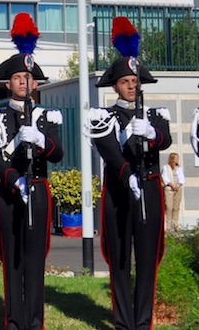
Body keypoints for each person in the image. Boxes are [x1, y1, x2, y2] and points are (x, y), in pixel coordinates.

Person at [86, 17, 171, 330]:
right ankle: (123, 323)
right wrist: (127, 174)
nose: (132, 86)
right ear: (115, 86)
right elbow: (108, 150)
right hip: (119, 191)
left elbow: (165, 140)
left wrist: (150, 133)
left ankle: (143, 322)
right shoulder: (103, 116)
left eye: (135, 81)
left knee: (148, 260)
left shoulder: (154, 115)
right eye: (125, 81)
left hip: (149, 189)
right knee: (120, 258)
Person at [0, 14, 62, 330]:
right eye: (17, 78)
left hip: (38, 190)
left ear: (36, 83)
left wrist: (41, 140)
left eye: (28, 78)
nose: (23, 83)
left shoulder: (47, 116)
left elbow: (58, 154)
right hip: (10, 192)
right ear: (8, 83)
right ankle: (14, 322)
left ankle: (35, 322)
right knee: (12, 260)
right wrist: (14, 179)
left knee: (35, 260)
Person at [162, 153, 184, 231]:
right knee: (169, 206)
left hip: (178, 188)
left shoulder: (179, 168)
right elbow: (165, 178)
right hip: (169, 189)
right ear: (172, 159)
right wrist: (172, 185)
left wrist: (178, 185)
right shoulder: (166, 167)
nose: (177, 159)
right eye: (176, 158)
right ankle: (168, 226)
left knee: (176, 207)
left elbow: (182, 178)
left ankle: (175, 224)